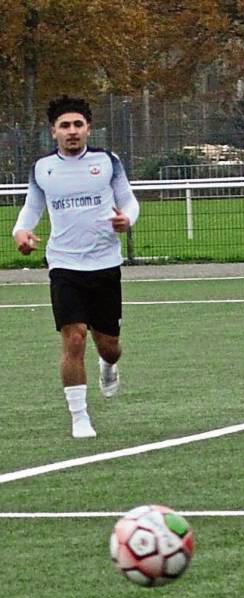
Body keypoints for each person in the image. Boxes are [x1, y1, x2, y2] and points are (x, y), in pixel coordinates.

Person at [12, 95, 139, 439]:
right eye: (64, 126)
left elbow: (128, 200)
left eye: (78, 125)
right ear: (53, 131)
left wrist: (127, 219)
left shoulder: (107, 162)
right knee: (74, 339)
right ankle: (79, 417)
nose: (72, 131)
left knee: (108, 344)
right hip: (64, 265)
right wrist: (21, 231)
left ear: (88, 128)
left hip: (105, 264)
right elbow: (31, 208)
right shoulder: (42, 169)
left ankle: (109, 365)